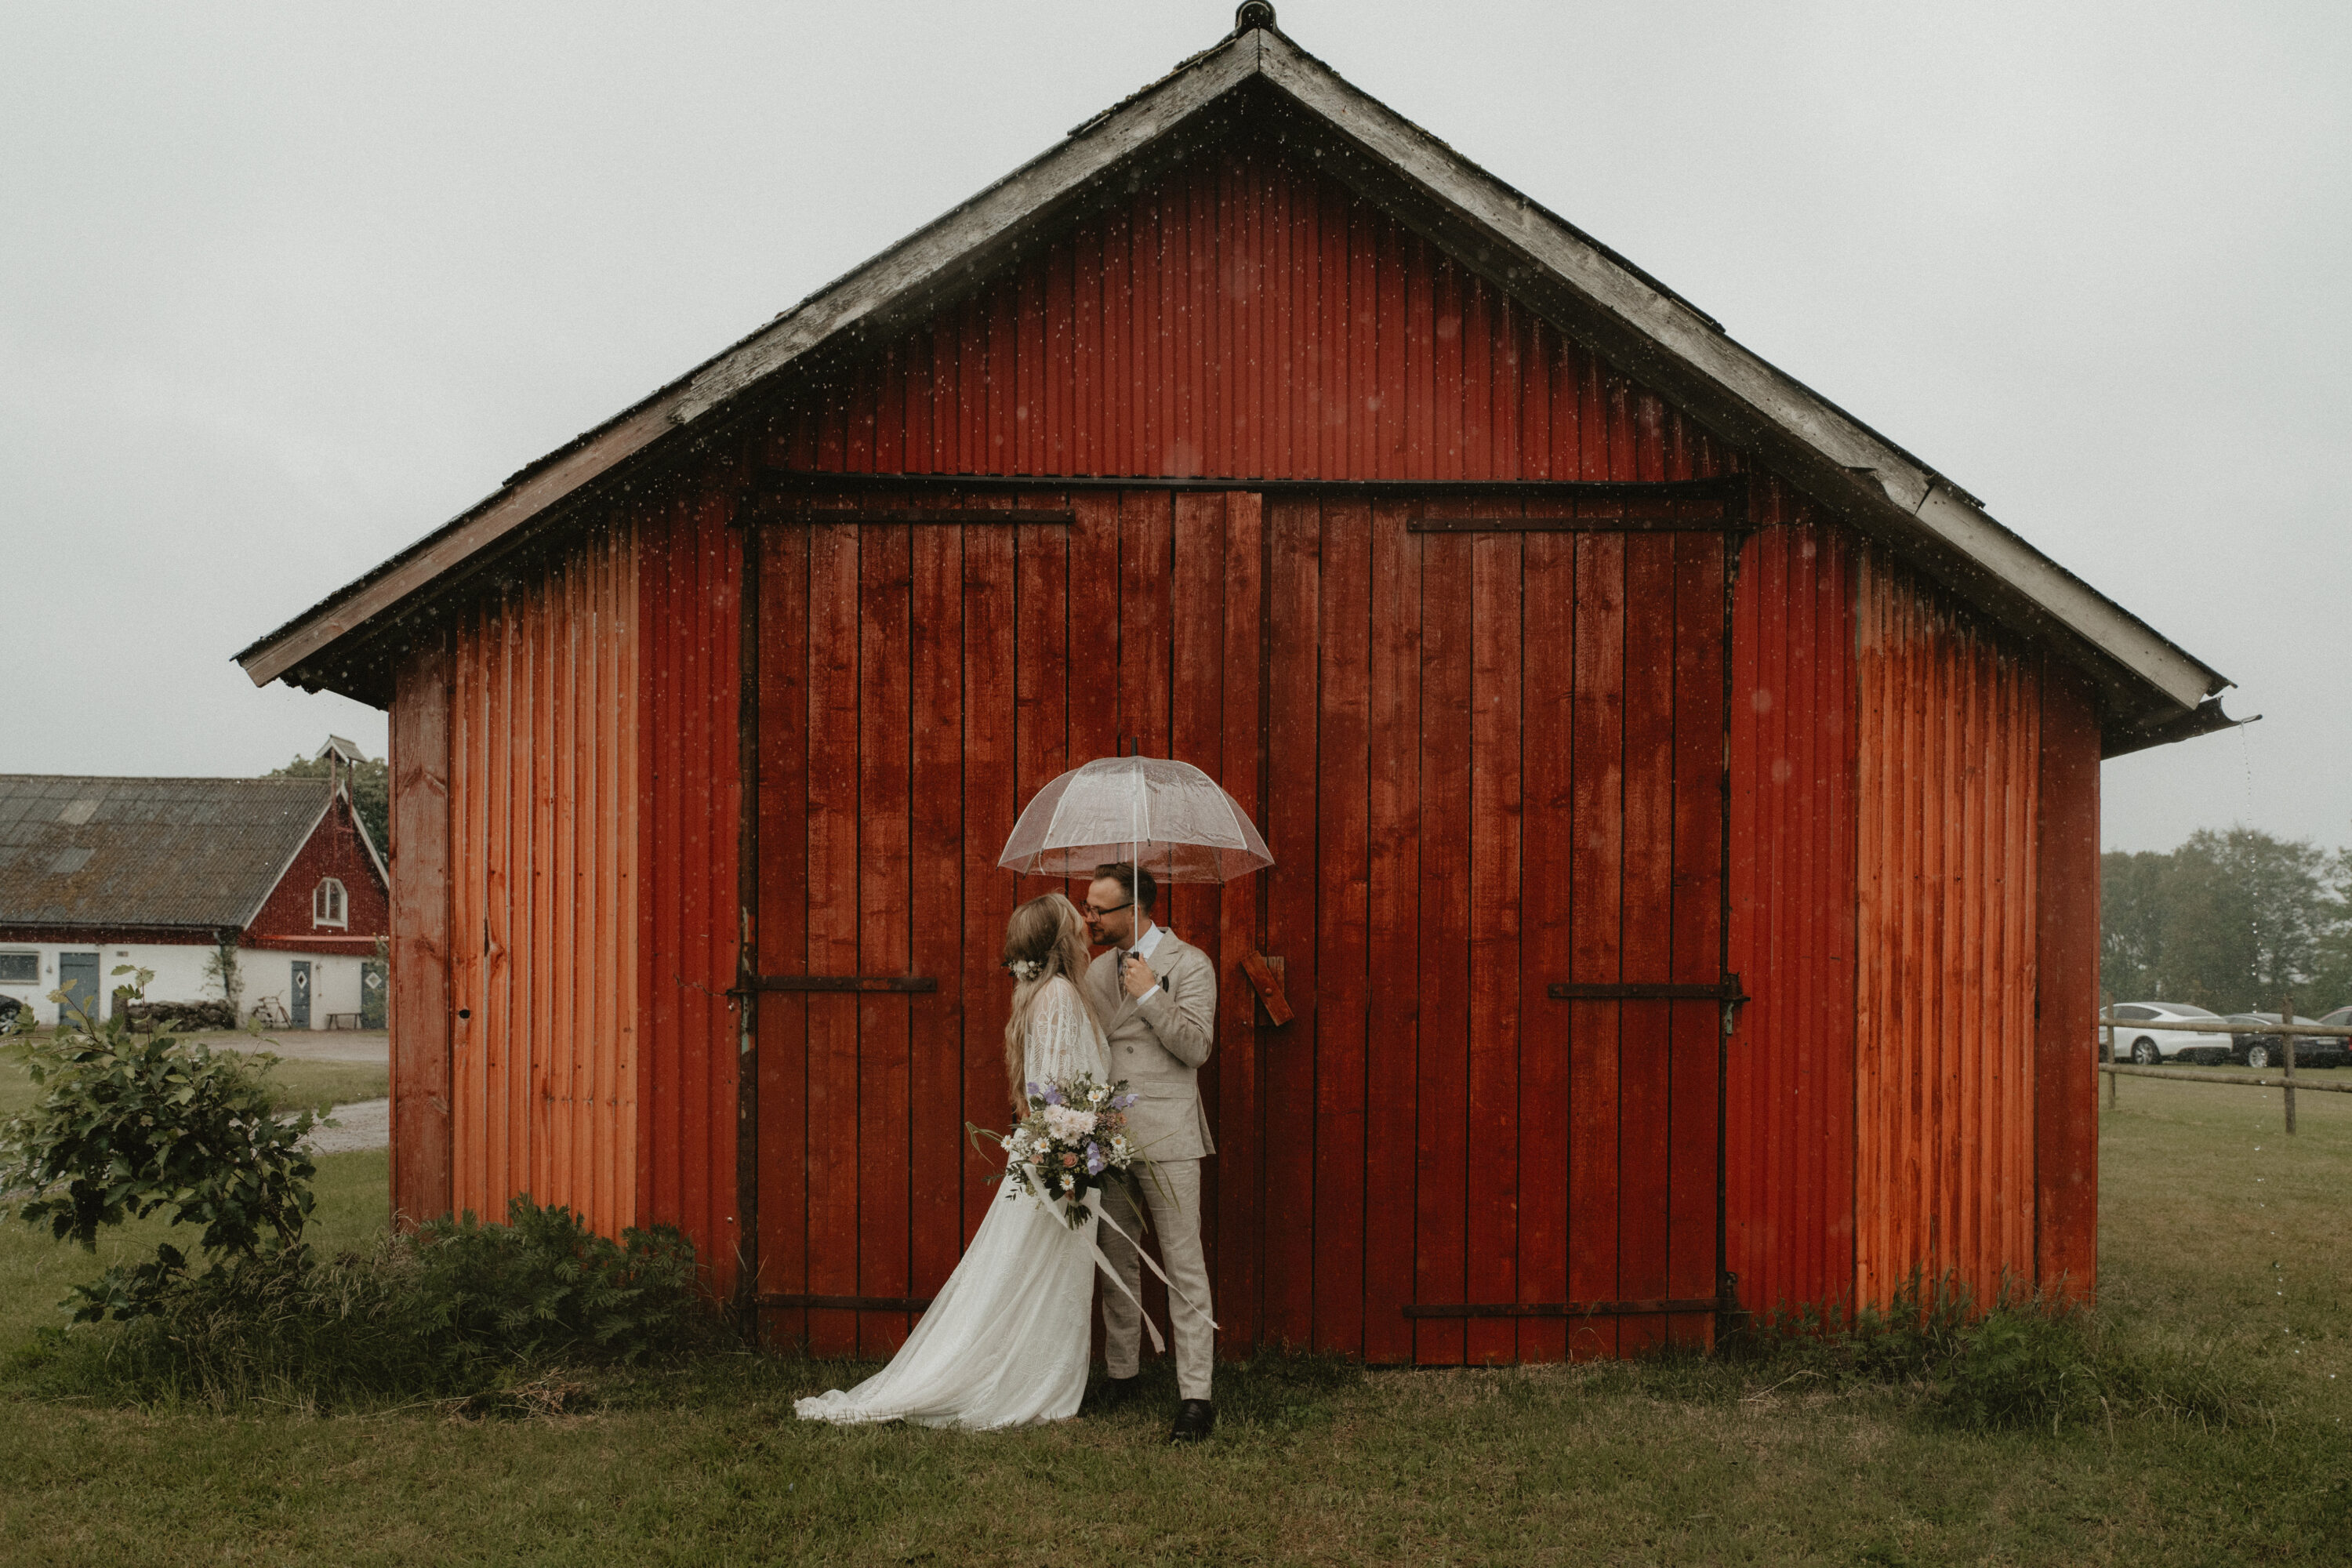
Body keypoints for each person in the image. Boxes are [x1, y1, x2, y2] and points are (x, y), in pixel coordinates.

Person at [793, 892, 1109, 1429]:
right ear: (1060, 942)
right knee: (1031, 1274)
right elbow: (1057, 1091)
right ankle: (1025, 1383)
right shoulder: (1057, 995)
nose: (1086, 929)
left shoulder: (1046, 993)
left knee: (1031, 1274)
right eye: (1077, 924)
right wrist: (1070, 1158)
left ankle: (1035, 1374)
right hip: (1063, 1163)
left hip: (1064, 1157)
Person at [1080, 861, 1220, 1443]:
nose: (1088, 918)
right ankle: (1123, 1371)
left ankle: (1196, 1396)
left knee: (1184, 1267)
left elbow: (1197, 1048)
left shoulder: (1191, 965)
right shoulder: (1093, 974)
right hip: (1110, 1137)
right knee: (1117, 1261)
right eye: (1088, 907)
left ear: (1134, 911)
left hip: (1170, 1134)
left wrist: (1152, 996)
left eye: (1098, 909)